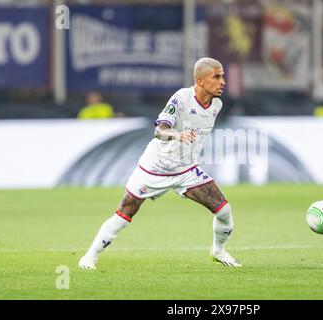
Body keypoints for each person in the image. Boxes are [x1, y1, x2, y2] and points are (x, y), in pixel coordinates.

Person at [78, 57, 241, 269]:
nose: (223, 82)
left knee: (223, 210)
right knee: (124, 214)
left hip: (186, 170)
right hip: (154, 168)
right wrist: (177, 135)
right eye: (216, 77)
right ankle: (89, 257)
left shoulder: (216, 105)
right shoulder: (181, 98)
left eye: (223, 76)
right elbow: (159, 130)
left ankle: (218, 251)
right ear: (200, 81)